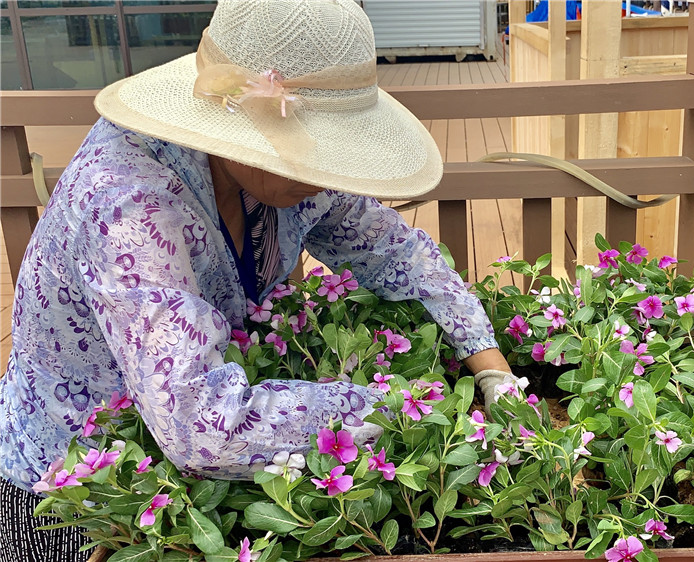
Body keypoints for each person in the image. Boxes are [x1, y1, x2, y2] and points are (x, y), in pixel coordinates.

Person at [0, 1, 516, 559]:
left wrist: (493, 371)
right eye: (320, 146)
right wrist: (412, 409)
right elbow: (202, 424)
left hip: (176, 486)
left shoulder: (287, 170)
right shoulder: (129, 205)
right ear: (235, 123)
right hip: (79, 492)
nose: (329, 174)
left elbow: (395, 253)